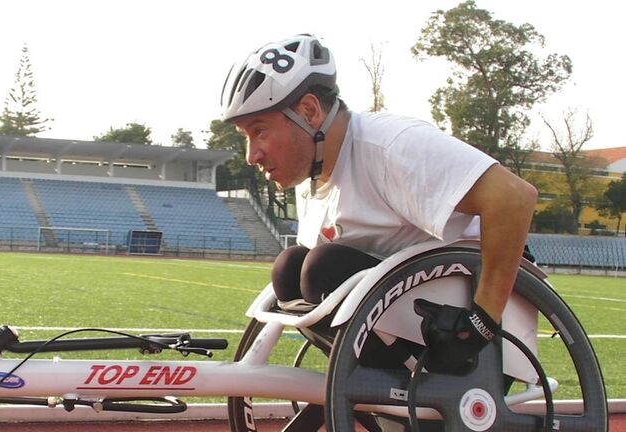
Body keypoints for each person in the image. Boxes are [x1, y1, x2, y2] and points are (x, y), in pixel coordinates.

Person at [220, 34, 537, 375]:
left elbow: (514, 197)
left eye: (260, 131)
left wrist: (481, 321)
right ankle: (383, 395)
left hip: (476, 316)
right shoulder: (312, 179)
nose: (251, 155)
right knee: (290, 269)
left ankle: (416, 397)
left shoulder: (390, 145)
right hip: (415, 304)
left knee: (322, 267)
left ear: (309, 111)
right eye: (246, 137)